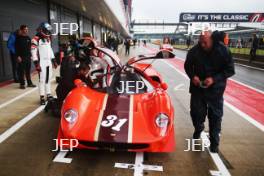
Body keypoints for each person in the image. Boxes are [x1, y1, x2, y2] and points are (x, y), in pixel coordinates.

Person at [184, 30, 235, 153]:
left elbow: (230, 70)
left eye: (205, 43)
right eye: (200, 42)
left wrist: (214, 79)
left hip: (216, 90)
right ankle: (198, 127)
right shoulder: (194, 51)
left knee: (215, 117)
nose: (202, 45)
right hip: (198, 88)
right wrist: (193, 76)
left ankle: (214, 143)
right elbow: (187, 66)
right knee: (196, 114)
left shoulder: (223, 51)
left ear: (212, 40)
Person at [31, 22, 57, 105]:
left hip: (48, 61)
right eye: (47, 31)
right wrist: (36, 64)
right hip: (41, 62)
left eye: (49, 31)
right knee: (42, 80)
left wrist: (54, 61)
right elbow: (33, 52)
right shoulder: (35, 39)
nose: (48, 33)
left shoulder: (48, 39)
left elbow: (50, 50)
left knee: (48, 79)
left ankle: (48, 94)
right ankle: (42, 96)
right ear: (42, 30)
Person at [15, 25, 36, 89]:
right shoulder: (18, 38)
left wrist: (31, 55)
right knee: (21, 71)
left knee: (28, 71)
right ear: (21, 30)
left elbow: (29, 48)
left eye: (27, 29)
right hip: (21, 57)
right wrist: (18, 56)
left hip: (28, 57)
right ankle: (22, 84)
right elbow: (16, 48)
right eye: (25, 29)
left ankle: (29, 83)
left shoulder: (28, 38)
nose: (26, 30)